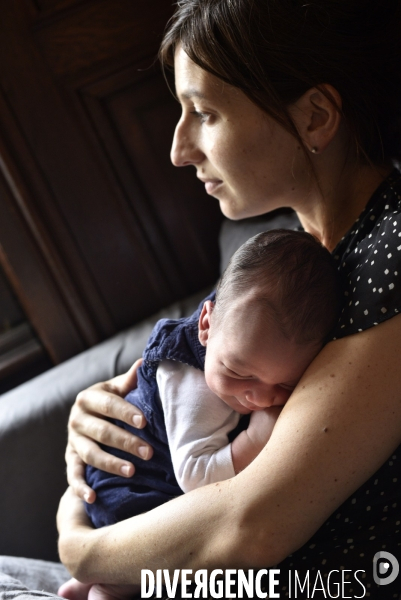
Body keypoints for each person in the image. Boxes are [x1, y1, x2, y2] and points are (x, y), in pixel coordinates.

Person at [2, 0, 401, 598]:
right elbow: (187, 382)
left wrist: (79, 546)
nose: (179, 149)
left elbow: (252, 527)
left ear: (316, 117)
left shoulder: (390, 252)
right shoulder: (291, 258)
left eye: (204, 113)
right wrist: (108, 421)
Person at [58, 228, 341, 600]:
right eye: (239, 373)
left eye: (284, 386)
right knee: (155, 571)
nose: (257, 397)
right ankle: (108, 587)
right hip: (132, 492)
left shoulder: (244, 333)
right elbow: (195, 476)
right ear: (205, 325)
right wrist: (255, 440)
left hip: (126, 493)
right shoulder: (192, 385)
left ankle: (88, 582)